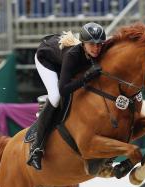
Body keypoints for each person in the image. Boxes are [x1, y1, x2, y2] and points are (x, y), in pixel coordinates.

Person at [27, 22, 107, 170]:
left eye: (99, 44)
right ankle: (36, 148)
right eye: (92, 44)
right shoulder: (73, 55)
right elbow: (64, 89)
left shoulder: (98, 50)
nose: (96, 48)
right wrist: (85, 78)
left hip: (62, 61)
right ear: (83, 44)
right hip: (46, 60)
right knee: (56, 97)